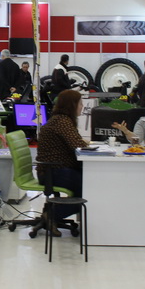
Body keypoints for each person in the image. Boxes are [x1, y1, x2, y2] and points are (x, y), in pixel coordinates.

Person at [35, 89, 89, 236]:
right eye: (80, 103)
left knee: (87, 184)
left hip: (53, 169)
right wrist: (87, 143)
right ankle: (52, 214)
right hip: (53, 171)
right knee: (89, 188)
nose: (82, 107)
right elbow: (78, 146)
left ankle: (52, 212)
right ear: (72, 105)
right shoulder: (63, 122)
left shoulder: (60, 120)